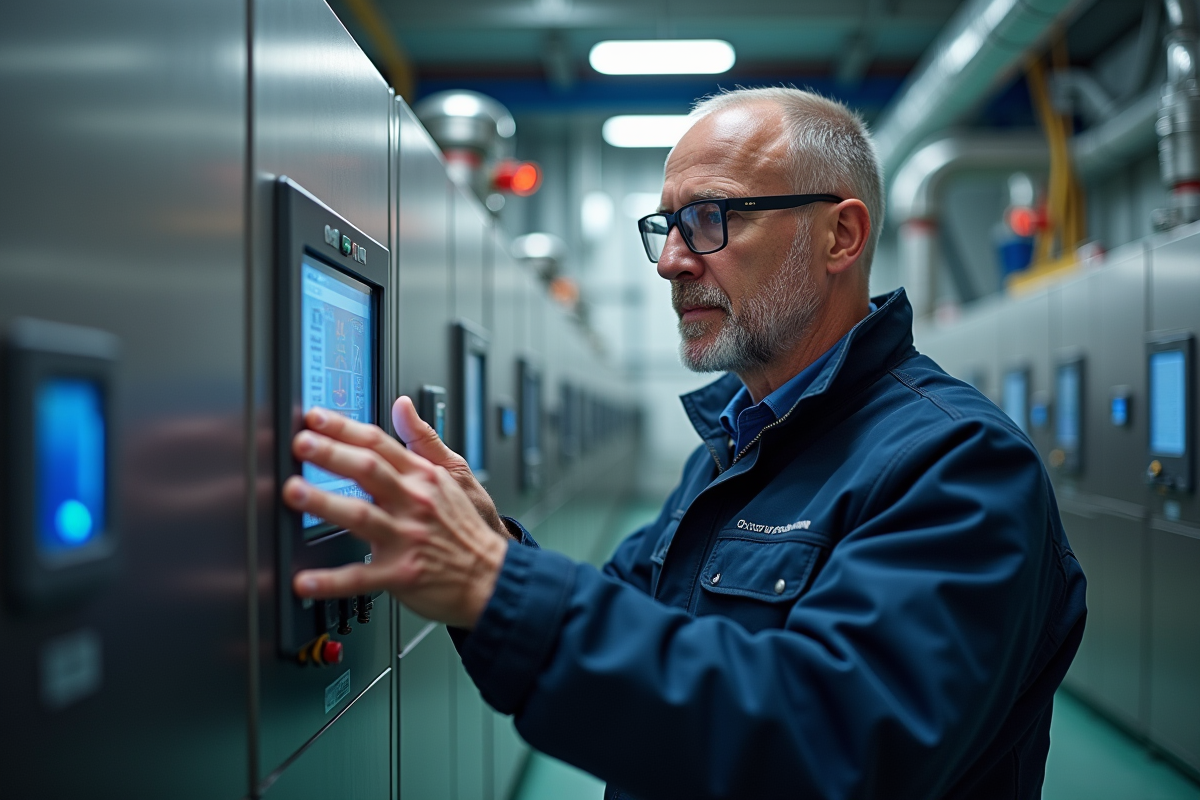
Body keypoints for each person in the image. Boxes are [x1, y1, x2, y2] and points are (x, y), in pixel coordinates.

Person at [282, 87, 1086, 800]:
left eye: (711, 219)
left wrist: (498, 587)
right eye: (666, 226)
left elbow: (833, 746)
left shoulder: (960, 468)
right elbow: (635, 617)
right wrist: (489, 546)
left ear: (840, 237)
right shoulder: (738, 447)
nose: (670, 261)